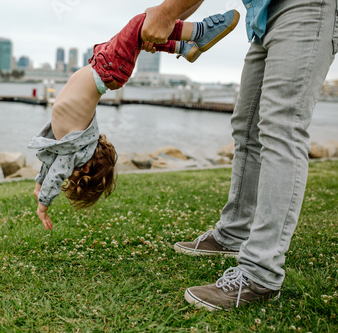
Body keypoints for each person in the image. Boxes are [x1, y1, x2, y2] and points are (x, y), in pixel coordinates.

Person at [166, 0, 338, 311]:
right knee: (246, 127)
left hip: (307, 6)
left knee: (282, 126)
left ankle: (261, 272)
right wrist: (170, 20)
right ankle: (233, 233)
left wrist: (165, 15)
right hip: (262, 14)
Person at [28, 9, 240, 230]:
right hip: (107, 68)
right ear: (86, 164)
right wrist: (43, 202)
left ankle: (189, 40)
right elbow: (57, 170)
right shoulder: (74, 149)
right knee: (143, 24)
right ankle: (194, 35)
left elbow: (50, 164)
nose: (65, 172)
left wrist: (40, 186)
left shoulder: (67, 148)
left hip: (105, 66)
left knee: (146, 28)